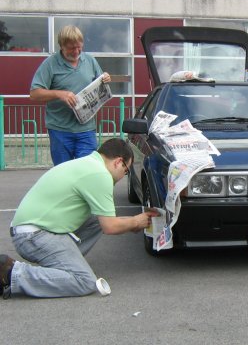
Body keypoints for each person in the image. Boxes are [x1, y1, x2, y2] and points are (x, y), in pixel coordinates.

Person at [0, 138, 158, 299]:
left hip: (31, 230)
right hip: (33, 236)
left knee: (99, 218)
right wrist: (136, 222)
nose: (123, 176)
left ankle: (64, 264)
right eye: (126, 171)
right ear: (118, 162)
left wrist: (130, 223)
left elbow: (105, 221)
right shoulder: (100, 175)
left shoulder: (88, 164)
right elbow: (110, 226)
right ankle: (12, 274)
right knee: (84, 281)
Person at [30, 25, 111, 165]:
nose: (76, 51)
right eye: (71, 48)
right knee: (63, 173)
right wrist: (59, 94)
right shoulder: (50, 64)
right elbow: (34, 94)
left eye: (79, 47)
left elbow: (100, 84)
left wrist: (105, 79)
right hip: (60, 130)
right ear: (61, 46)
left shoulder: (90, 61)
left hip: (86, 130)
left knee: (87, 170)